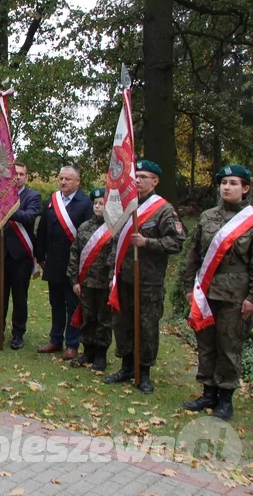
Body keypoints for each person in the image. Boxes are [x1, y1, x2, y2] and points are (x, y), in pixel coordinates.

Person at [104, 160, 185, 393]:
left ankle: (145, 371)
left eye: (143, 177)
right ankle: (126, 366)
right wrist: (113, 273)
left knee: (146, 326)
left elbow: (177, 242)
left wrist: (147, 242)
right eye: (136, 176)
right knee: (123, 323)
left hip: (148, 280)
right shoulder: (127, 207)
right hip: (124, 276)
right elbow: (115, 243)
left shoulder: (164, 210)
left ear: (155, 181)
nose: (137, 180)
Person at [182, 165, 253, 420]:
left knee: (229, 345)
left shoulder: (250, 219)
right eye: (223, 182)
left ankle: (225, 398)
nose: (226, 187)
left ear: (245, 188)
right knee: (206, 344)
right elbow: (193, 254)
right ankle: (208, 392)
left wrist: (250, 298)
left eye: (233, 183)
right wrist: (190, 287)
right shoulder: (207, 216)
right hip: (205, 292)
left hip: (235, 295)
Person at [35, 166, 93, 360]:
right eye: (61, 178)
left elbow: (89, 237)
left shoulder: (86, 203)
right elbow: (42, 228)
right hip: (53, 261)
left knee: (73, 304)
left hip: (74, 264)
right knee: (56, 303)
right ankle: (55, 339)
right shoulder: (53, 201)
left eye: (68, 179)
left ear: (78, 181)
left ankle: (72, 343)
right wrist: (40, 254)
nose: (63, 182)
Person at [0, 162, 41, 350]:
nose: (17, 177)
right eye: (14, 174)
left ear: (27, 176)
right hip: (0, 254)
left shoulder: (33, 196)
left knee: (19, 297)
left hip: (20, 256)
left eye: (21, 174)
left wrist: (9, 206)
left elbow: (29, 217)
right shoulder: (0, 195)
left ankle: (18, 334)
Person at [66, 188, 112, 371]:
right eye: (95, 203)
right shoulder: (84, 227)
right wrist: (74, 281)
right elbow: (74, 254)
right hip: (85, 283)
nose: (98, 206)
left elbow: (116, 257)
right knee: (87, 318)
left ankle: (101, 354)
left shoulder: (114, 228)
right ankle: (87, 351)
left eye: (102, 203)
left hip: (104, 283)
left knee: (104, 320)